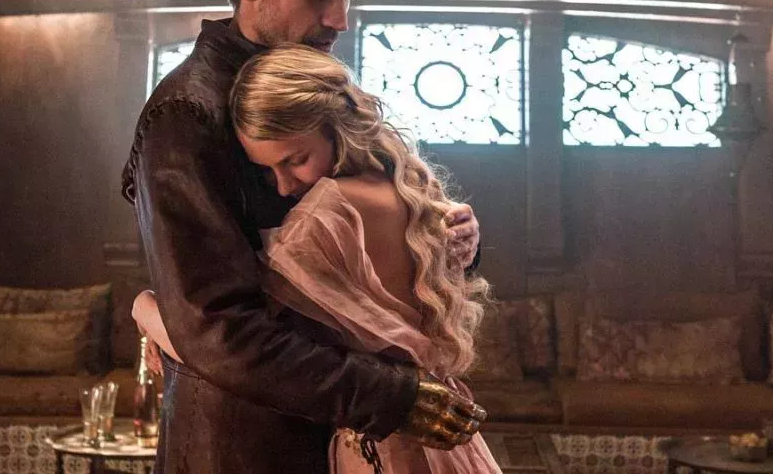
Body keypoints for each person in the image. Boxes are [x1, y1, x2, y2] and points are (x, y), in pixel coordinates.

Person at [120, 0, 486, 472]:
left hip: (341, 438)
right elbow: (216, 328)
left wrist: (454, 239)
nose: (340, 19)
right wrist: (389, 396)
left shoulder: (316, 82)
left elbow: (376, 247)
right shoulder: (185, 114)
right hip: (243, 446)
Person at [135, 44, 502, 474]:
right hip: (444, 448)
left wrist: (143, 307)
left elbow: (230, 347)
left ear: (337, 128)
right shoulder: (404, 191)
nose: (284, 185)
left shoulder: (327, 215)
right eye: (267, 171)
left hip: (384, 450)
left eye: (296, 160)